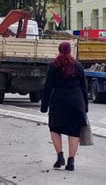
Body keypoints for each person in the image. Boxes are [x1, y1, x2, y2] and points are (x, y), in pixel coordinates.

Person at [40, 41, 88, 171]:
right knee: (74, 131)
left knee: (55, 128)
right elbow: (84, 88)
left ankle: (60, 155)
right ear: (70, 51)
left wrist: (44, 106)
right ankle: (71, 161)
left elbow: (48, 87)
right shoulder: (78, 65)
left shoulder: (54, 65)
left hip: (59, 101)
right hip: (76, 102)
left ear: (59, 50)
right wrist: (85, 107)